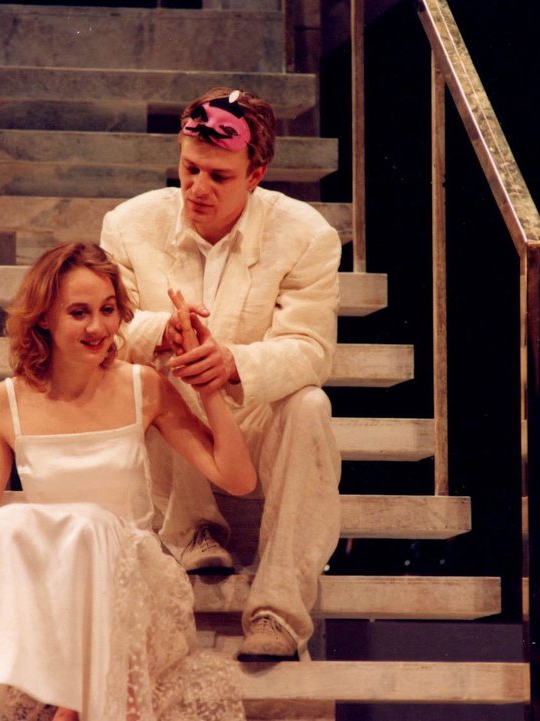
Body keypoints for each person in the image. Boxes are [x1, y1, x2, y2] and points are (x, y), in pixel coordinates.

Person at [0, 241, 254, 721]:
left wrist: (208, 390)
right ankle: (73, 702)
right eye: (79, 313)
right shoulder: (5, 401)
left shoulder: (144, 386)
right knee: (10, 524)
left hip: (132, 586)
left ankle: (73, 706)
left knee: (93, 525)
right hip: (51, 599)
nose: (98, 327)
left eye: (107, 310)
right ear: (43, 318)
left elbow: (237, 478)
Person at [100, 87, 342, 662]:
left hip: (249, 415)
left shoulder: (307, 234)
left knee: (310, 404)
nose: (197, 188)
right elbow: (108, 332)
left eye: (218, 175)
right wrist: (166, 333)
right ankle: (192, 530)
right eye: (189, 168)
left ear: (256, 174)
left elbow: (310, 349)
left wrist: (234, 362)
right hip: (171, 418)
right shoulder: (129, 224)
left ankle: (278, 615)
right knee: (161, 369)